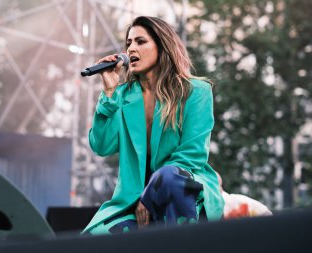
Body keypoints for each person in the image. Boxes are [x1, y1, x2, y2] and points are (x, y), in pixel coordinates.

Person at [82, 16, 224, 235]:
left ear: (162, 46)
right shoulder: (121, 96)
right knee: (95, 237)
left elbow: (192, 154)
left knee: (168, 177)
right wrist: (108, 93)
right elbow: (101, 146)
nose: (131, 48)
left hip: (180, 191)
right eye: (128, 43)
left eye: (140, 41)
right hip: (133, 202)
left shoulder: (196, 91)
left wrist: (151, 196)